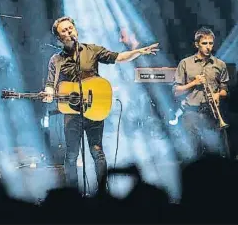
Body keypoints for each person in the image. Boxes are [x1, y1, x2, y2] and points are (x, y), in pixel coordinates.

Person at [42, 16, 159, 189]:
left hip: (94, 108)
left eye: (70, 28)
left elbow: (118, 57)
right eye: (64, 31)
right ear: (59, 38)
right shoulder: (56, 60)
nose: (69, 31)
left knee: (97, 151)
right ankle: (73, 192)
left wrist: (138, 52)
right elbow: (51, 84)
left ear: (75, 29)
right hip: (72, 112)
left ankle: (103, 191)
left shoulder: (92, 50)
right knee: (72, 155)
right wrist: (49, 93)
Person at [173, 27, 230, 159]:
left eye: (210, 43)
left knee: (220, 150)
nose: (208, 47)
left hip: (212, 113)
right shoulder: (185, 63)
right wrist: (194, 83)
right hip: (191, 112)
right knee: (194, 151)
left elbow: (225, 90)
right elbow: (176, 91)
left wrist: (218, 94)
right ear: (197, 44)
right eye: (204, 43)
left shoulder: (220, 64)